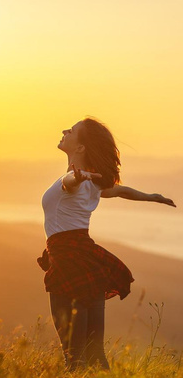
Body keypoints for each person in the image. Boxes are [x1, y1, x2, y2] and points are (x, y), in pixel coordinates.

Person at [37, 117, 176, 371]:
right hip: (87, 261)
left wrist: (77, 177)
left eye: (72, 130)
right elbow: (121, 191)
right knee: (94, 353)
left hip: (68, 262)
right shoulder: (91, 183)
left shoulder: (74, 180)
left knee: (74, 357)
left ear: (80, 148)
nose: (65, 131)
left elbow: (70, 184)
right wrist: (151, 197)